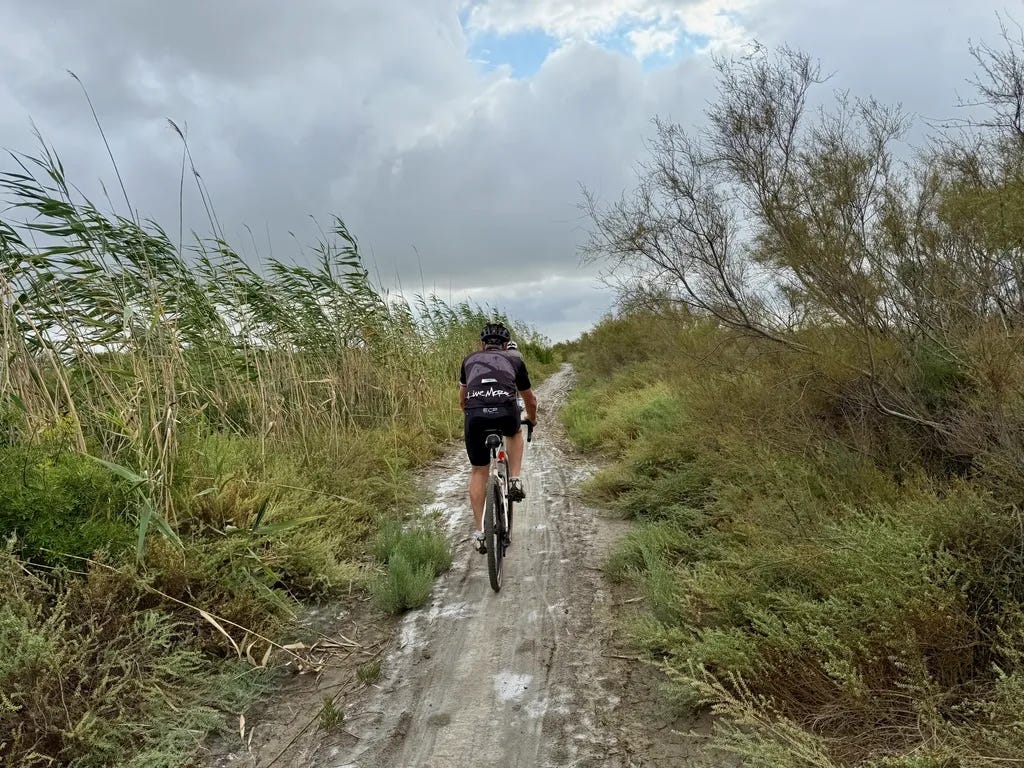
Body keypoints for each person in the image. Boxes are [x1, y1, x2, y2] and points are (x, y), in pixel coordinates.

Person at [459, 322, 538, 553]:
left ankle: (479, 532)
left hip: (474, 417)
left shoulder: (469, 360)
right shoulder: (514, 359)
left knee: (478, 471)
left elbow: (462, 400)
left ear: (482, 345)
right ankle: (514, 479)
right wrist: (531, 419)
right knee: (514, 432)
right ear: (506, 345)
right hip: (506, 412)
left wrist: (475, 414)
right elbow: (530, 400)